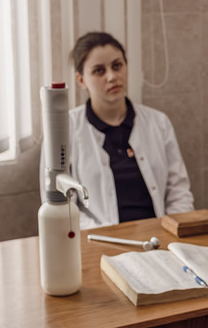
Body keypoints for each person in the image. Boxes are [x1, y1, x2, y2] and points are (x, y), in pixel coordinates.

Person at [63, 31, 194, 228]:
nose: (112, 76)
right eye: (99, 71)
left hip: (160, 239)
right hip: (98, 241)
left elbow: (178, 192)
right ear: (81, 80)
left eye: (117, 66)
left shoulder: (158, 122)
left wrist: (175, 232)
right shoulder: (66, 130)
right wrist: (108, 237)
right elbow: (63, 209)